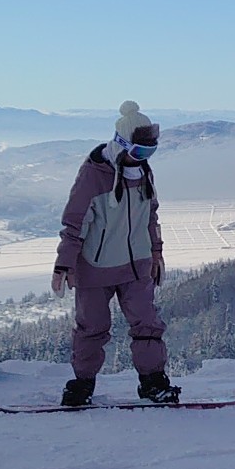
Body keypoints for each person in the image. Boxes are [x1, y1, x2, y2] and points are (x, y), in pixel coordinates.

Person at [52, 101, 179, 406]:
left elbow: (151, 215)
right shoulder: (93, 175)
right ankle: (82, 384)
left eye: (150, 152)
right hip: (95, 266)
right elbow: (75, 221)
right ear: (122, 144)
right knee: (92, 328)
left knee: (148, 324)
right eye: (139, 151)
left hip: (137, 265)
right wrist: (64, 263)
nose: (144, 158)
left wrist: (156, 253)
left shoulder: (143, 172)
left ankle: (153, 383)